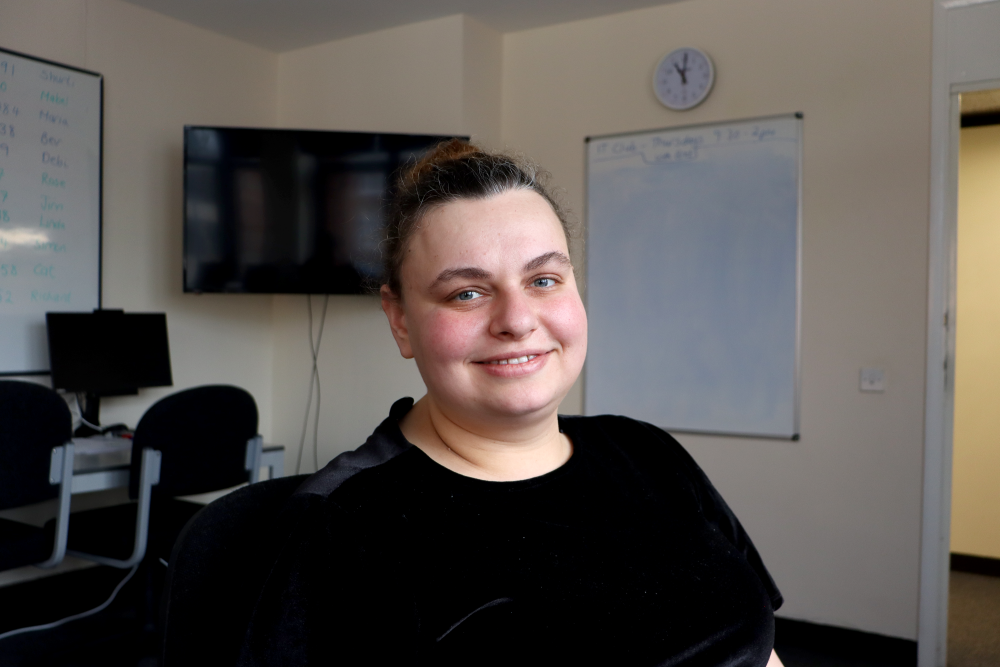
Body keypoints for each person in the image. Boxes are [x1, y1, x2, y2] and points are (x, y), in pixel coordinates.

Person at [238, 140, 784, 666]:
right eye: (467, 293)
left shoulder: (647, 452)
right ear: (400, 319)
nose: (518, 321)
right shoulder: (347, 527)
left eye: (544, 279)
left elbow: (761, 649)